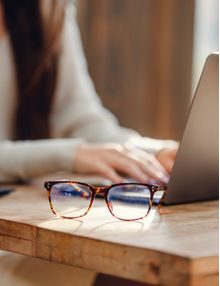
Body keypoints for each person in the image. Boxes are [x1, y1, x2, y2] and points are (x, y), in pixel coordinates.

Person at [0, 1, 178, 285]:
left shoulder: (49, 10)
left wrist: (155, 153)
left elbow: (82, 120)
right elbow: (80, 149)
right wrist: (70, 154)